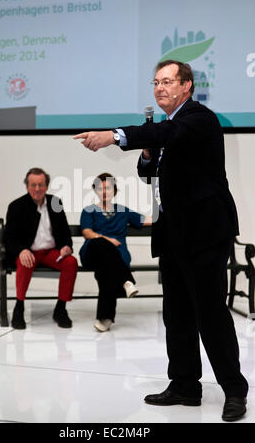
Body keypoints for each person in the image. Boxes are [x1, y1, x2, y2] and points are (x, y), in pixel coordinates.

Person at [73, 60, 249, 422]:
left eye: (167, 81)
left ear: (187, 86)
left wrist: (113, 136)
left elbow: (170, 136)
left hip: (204, 233)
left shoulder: (199, 118)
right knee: (177, 313)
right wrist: (149, 152)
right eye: (155, 82)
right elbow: (148, 170)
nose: (159, 87)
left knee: (211, 314)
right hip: (173, 234)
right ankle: (185, 385)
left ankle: (234, 390)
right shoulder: (169, 128)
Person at [4, 167, 78, 330]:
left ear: (47, 185)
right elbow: (9, 238)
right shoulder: (17, 206)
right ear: (27, 186)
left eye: (41, 185)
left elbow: (65, 232)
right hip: (28, 252)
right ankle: (19, 306)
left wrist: (67, 246)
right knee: (25, 262)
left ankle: (61, 308)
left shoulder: (55, 202)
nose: (37, 189)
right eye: (33, 185)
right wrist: (22, 250)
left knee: (71, 262)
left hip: (51, 252)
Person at [80, 172, 152, 332]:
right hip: (92, 253)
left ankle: (104, 319)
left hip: (116, 258)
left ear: (114, 190)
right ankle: (127, 280)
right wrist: (107, 239)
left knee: (106, 272)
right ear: (95, 191)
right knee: (101, 244)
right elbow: (87, 232)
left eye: (108, 188)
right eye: (100, 188)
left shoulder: (123, 211)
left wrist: (170, 214)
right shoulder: (89, 210)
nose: (104, 191)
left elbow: (146, 220)